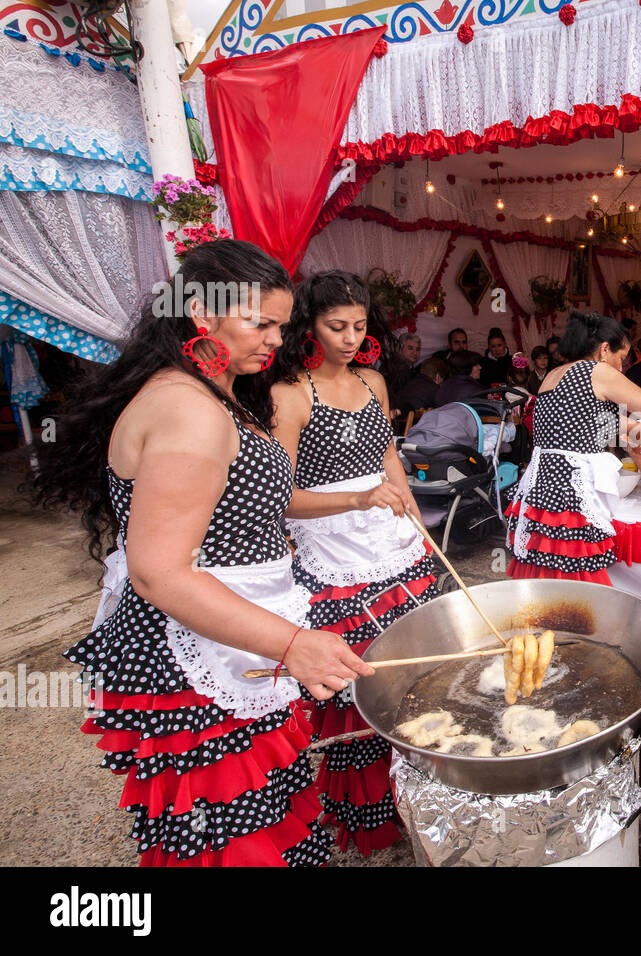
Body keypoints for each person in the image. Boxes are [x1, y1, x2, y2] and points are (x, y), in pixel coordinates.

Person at [32, 239, 373, 866]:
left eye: (280, 324)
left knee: (263, 811)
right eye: (260, 323)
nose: (275, 340)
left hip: (230, 633)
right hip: (197, 653)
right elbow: (159, 572)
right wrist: (294, 645)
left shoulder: (205, 390)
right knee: (232, 836)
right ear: (200, 314)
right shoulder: (188, 408)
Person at [263, 270, 443, 855]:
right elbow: (280, 495)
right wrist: (360, 498)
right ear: (306, 327)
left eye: (359, 327)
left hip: (392, 541)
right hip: (334, 549)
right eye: (335, 326)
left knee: (414, 667)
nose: (349, 338)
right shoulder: (290, 392)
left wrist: (407, 503)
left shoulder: (371, 381)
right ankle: (371, 816)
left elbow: (388, 450)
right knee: (358, 688)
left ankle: (428, 789)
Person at [505, 312, 641, 583]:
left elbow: (602, 427)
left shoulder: (555, 375)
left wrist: (636, 436)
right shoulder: (598, 372)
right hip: (570, 491)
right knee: (575, 582)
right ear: (605, 349)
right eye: (621, 359)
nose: (622, 368)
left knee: (543, 576)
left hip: (539, 487)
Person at [385, 332, 421, 398]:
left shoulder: (404, 366)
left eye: (418, 349)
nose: (415, 352)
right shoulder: (397, 368)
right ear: (399, 348)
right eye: (410, 348)